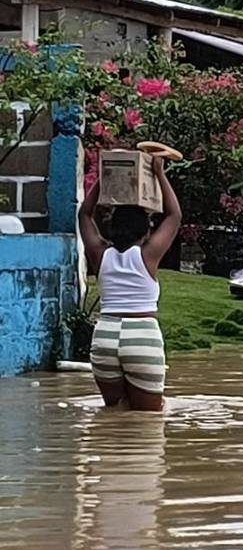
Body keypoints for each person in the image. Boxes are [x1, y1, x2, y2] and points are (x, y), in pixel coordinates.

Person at [78, 157, 181, 412]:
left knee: (115, 414)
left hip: (105, 336)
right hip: (142, 336)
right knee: (146, 422)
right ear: (146, 231)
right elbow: (174, 215)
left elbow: (84, 213)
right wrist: (159, 173)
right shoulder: (148, 254)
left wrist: (107, 177)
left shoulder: (100, 253)